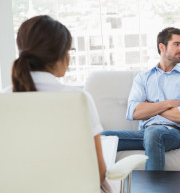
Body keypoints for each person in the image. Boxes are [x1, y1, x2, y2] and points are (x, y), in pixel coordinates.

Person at [2, 15, 111, 192]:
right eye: (69, 50)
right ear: (60, 54)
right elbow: (98, 174)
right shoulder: (78, 99)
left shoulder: (4, 101)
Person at [102, 27, 180, 170]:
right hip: (145, 133)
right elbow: (134, 112)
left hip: (176, 134)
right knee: (104, 138)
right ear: (162, 47)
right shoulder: (143, 78)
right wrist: (168, 104)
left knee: (153, 133)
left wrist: (150, 107)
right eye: (177, 44)